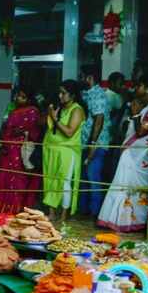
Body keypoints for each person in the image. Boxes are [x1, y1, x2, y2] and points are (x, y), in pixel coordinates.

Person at [97, 77, 148, 232]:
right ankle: (118, 219)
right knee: (123, 185)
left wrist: (136, 114)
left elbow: (141, 131)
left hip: (140, 156)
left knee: (134, 187)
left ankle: (130, 221)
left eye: (139, 85)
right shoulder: (147, 109)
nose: (135, 89)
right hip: (133, 154)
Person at [0, 89, 43, 214]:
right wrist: (2, 142)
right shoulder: (12, 109)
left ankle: (17, 207)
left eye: (22, 97)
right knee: (3, 178)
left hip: (20, 151)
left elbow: (35, 131)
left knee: (18, 180)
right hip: (8, 150)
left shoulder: (32, 111)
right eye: (17, 96)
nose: (18, 98)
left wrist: (21, 132)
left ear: (29, 99)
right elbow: (5, 127)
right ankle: (2, 206)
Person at [42, 80, 86, 222]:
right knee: (50, 181)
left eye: (63, 93)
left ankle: (63, 215)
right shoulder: (59, 107)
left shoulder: (77, 110)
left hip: (67, 152)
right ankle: (52, 212)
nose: (60, 96)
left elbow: (69, 132)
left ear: (72, 95)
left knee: (64, 183)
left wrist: (54, 119)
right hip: (51, 150)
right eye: (59, 93)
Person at [78, 65, 109, 218]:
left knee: (93, 178)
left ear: (89, 78)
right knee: (85, 179)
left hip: (96, 145)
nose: (80, 79)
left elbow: (99, 120)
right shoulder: (88, 94)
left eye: (82, 76)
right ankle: (84, 210)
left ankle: (95, 213)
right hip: (87, 143)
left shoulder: (98, 95)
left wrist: (92, 144)